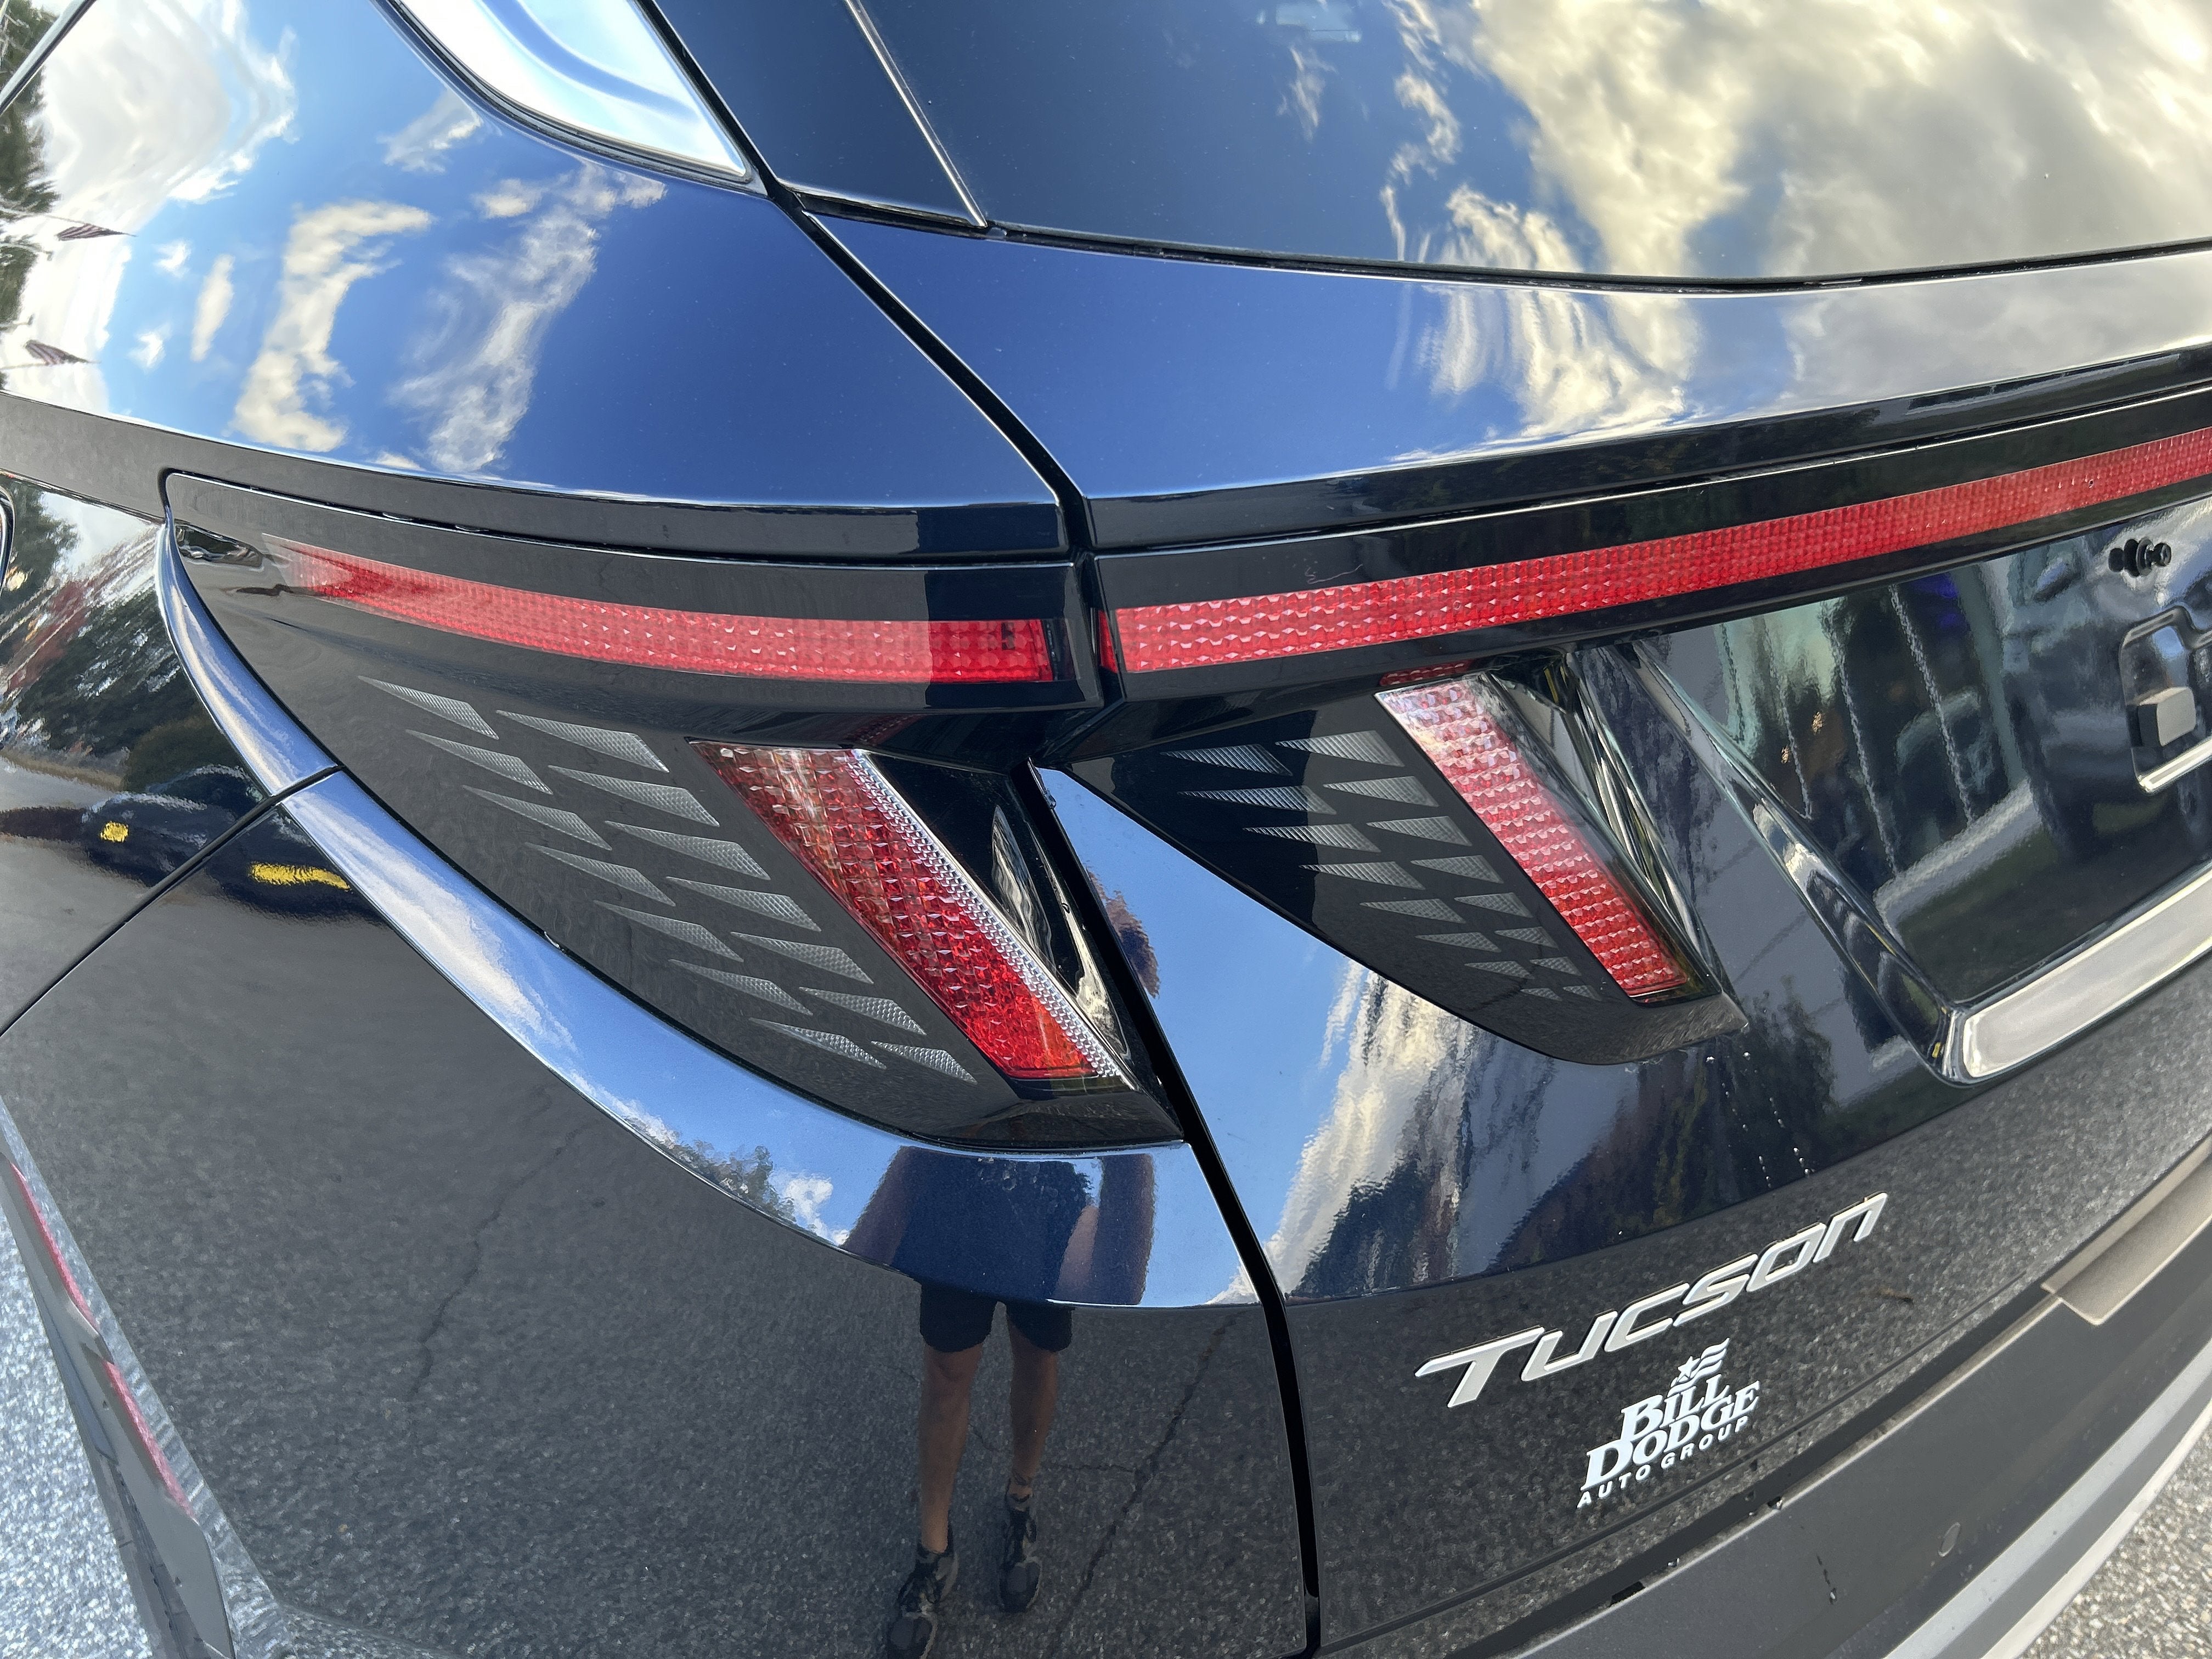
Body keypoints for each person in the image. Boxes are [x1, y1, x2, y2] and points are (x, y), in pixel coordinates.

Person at [847, 1148, 1153, 1658]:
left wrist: (1128, 1212)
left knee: (1036, 1355)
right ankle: (933, 1551)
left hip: (1052, 1188)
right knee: (946, 1372)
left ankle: (1020, 1501)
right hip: (962, 1184)